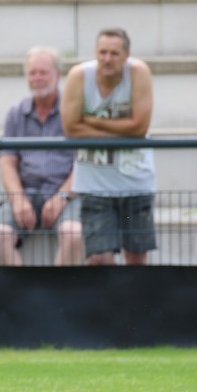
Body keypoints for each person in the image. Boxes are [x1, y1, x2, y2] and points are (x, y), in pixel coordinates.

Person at [60, 28, 156, 265]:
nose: (107, 59)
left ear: (126, 55)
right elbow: (71, 128)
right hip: (94, 186)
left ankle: (134, 303)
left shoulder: (139, 73)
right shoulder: (79, 76)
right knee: (98, 258)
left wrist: (90, 121)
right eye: (102, 52)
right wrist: (121, 127)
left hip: (135, 184)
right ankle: (111, 303)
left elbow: (139, 128)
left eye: (114, 53)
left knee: (136, 258)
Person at [0, 46, 83, 266]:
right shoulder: (16, 113)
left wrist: (62, 197)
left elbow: (84, 161)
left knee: (73, 233)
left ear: (58, 75)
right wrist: (17, 199)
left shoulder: (74, 111)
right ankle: (19, 298)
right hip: (26, 191)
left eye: (43, 72)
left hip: (68, 193)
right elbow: (7, 161)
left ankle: (59, 296)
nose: (37, 78)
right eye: (32, 73)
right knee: (0, 234)